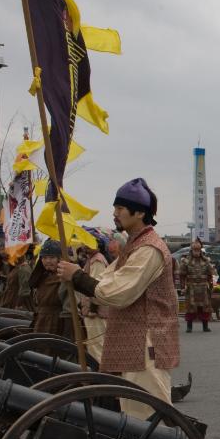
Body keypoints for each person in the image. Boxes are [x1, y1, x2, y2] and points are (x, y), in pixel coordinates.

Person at [57, 177, 180, 418]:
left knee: (150, 414)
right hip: (136, 341)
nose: (115, 214)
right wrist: (75, 275)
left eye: (120, 208)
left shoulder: (149, 249)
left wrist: (78, 278)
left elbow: (118, 292)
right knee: (135, 413)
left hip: (147, 342)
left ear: (139, 213)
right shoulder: (135, 246)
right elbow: (107, 282)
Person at [78, 230, 114, 363]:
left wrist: (93, 309)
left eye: (89, 242)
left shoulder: (97, 261)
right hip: (92, 310)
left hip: (96, 312)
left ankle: (100, 374)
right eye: (84, 242)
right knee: (94, 345)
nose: (85, 245)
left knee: (96, 346)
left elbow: (96, 287)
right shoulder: (91, 260)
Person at [29, 240, 70, 337]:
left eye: (52, 257)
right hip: (41, 321)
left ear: (59, 259)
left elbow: (69, 309)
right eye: (44, 257)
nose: (47, 261)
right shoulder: (42, 277)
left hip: (57, 323)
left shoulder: (64, 277)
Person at [180, 239, 214, 332]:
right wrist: (182, 287)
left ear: (201, 250)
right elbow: (182, 275)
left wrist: (211, 286)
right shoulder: (186, 261)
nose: (196, 252)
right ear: (191, 250)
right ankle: (189, 327)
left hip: (203, 287)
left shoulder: (206, 261)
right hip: (191, 287)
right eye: (195, 250)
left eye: (198, 250)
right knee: (190, 308)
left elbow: (210, 275)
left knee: (205, 308)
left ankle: (205, 326)